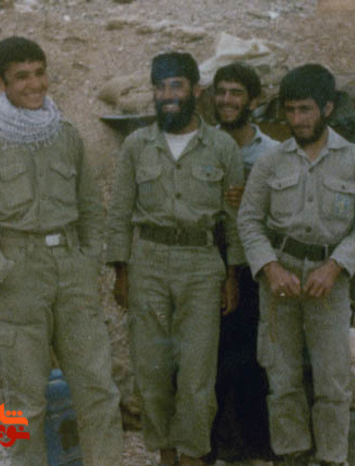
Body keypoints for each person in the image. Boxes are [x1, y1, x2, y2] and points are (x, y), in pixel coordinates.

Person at [0, 36, 122, 465]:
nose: (35, 84)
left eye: (40, 72)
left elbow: (90, 209)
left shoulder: (66, 135)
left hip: (72, 270)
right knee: (24, 406)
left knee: (98, 392)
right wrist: (2, 273)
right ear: (0, 83)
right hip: (19, 276)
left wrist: (87, 261)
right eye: (22, 77)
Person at [237, 64, 355, 465]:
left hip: (329, 283)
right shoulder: (271, 161)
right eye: (290, 110)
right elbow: (248, 220)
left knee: (333, 379)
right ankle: (291, 454)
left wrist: (334, 267)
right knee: (281, 376)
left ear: (327, 108)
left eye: (305, 110)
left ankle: (332, 457)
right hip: (279, 280)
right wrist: (270, 268)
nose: (297, 119)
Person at [105, 52, 246, 466]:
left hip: (201, 266)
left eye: (176, 86)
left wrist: (232, 276)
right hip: (147, 263)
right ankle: (166, 455)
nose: (167, 95)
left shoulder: (221, 147)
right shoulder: (136, 145)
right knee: (151, 371)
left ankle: (191, 457)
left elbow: (234, 218)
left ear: (196, 90)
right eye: (160, 87)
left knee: (197, 374)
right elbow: (119, 213)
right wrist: (121, 272)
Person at [211, 62, 280, 462]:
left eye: (236, 93)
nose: (226, 100)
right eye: (221, 91)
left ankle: (255, 446)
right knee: (211, 359)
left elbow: (289, 210)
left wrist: (256, 199)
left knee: (253, 357)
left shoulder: (272, 153)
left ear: (253, 101)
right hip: (210, 261)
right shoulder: (203, 144)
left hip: (257, 266)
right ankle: (215, 445)